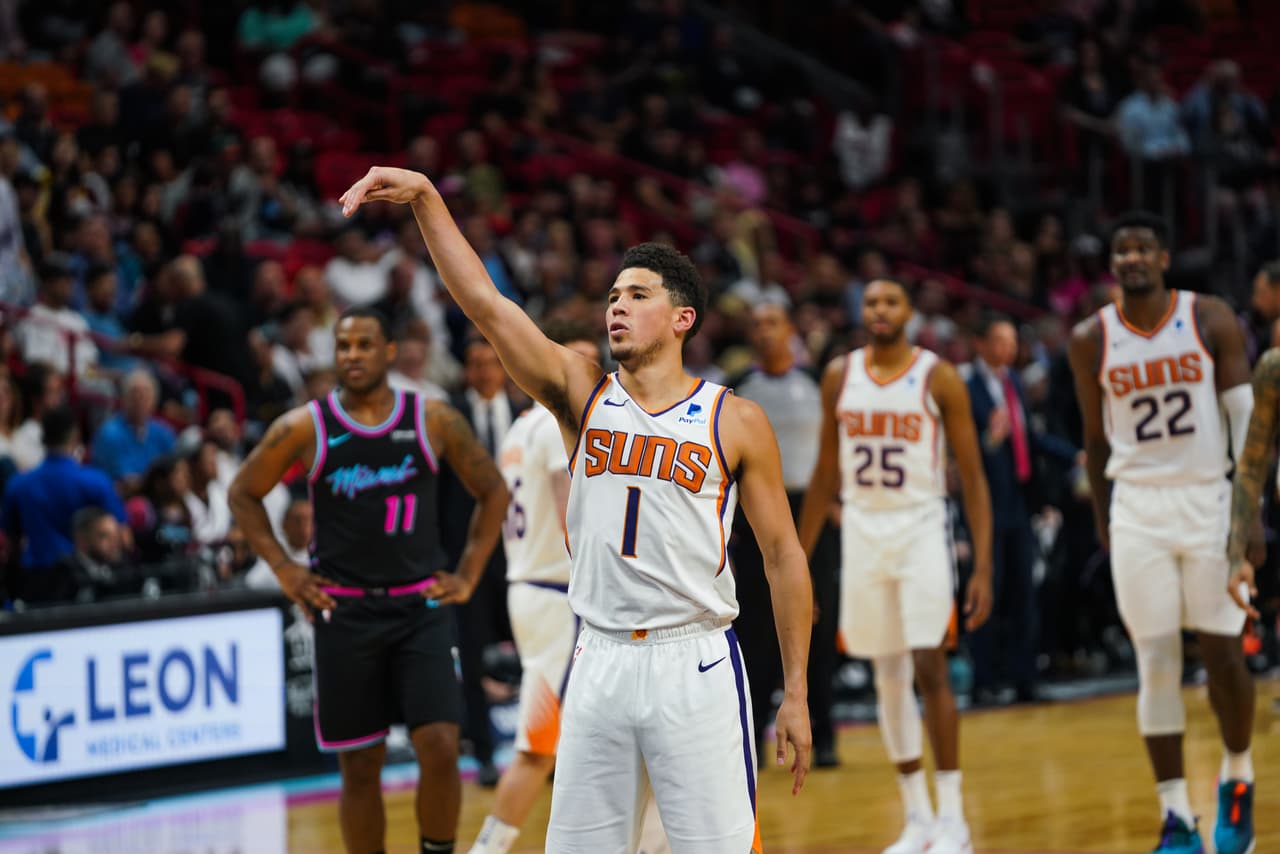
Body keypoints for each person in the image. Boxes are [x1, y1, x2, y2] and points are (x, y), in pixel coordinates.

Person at [341, 166, 813, 853]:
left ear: (682, 318)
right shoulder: (581, 394)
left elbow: (783, 556)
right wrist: (427, 200)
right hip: (597, 658)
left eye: (638, 295)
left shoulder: (734, 419)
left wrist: (794, 690)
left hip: (697, 660)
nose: (615, 306)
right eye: (613, 294)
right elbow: (488, 305)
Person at [228, 306, 509, 854]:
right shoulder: (308, 425)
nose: (351, 355)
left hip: (419, 610)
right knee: (360, 765)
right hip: (346, 614)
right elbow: (243, 492)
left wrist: (469, 572)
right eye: (343, 346)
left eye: (363, 345)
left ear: (387, 353)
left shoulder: (432, 419)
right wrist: (286, 569)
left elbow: (494, 490)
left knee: (441, 745)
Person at [1068, 212, 1258, 854]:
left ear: (1166, 257)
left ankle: (1237, 776)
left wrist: (1249, 516)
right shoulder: (1090, 338)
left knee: (1224, 653)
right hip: (1138, 508)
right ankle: (1177, 816)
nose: (1132, 258)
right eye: (1122, 250)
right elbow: (1094, 443)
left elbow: (1247, 425)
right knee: (1155, 660)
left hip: (1208, 498)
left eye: (1144, 247)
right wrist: (1104, 520)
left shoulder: (1210, 318)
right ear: (1113, 264)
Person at [797, 278, 994, 854]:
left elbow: (974, 477)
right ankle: (917, 817)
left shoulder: (938, 376)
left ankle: (953, 816)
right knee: (885, 672)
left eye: (892, 301)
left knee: (930, 664)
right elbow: (825, 473)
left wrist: (983, 566)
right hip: (861, 527)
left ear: (909, 312)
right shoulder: (841, 374)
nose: (880, 310)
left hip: (919, 525)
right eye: (872, 301)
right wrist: (800, 561)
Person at [469, 318, 668, 854]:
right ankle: (489, 847)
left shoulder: (517, 426)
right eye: (576, 358)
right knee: (538, 744)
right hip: (560, 593)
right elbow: (570, 510)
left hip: (533, 588)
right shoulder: (559, 424)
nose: (589, 371)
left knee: (602, 732)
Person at [729, 301, 840, 768]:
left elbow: (836, 451)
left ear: (790, 330)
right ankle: (751, 738)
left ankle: (825, 733)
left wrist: (836, 499)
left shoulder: (816, 385)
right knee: (754, 627)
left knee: (817, 623)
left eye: (772, 323)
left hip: (811, 509)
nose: (764, 332)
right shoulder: (737, 390)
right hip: (756, 513)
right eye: (756, 324)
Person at [2, 405, 127, 605]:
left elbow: (9, 540)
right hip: (84, 584)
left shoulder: (19, 484)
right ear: (75, 437)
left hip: (33, 582)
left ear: (43, 438)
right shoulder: (95, 482)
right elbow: (122, 534)